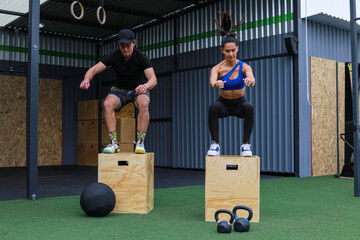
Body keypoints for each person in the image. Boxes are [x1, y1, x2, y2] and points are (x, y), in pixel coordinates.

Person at [80, 29, 157, 154]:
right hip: (120, 90)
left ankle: (140, 142)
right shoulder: (114, 56)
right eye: (122, 46)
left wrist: (146, 86)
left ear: (134, 43)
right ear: (118, 45)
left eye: (128, 46)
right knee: (107, 104)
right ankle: (113, 143)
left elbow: (153, 79)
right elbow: (93, 70)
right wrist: (86, 79)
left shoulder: (141, 57)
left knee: (144, 103)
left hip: (137, 90)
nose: (125, 49)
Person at [207, 11, 255, 157]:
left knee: (249, 107)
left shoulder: (245, 67)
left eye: (233, 50)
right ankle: (215, 144)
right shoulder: (217, 68)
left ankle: (245, 145)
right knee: (213, 108)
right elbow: (212, 81)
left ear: (237, 49)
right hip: (224, 104)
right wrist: (216, 84)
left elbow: (252, 79)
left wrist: (250, 81)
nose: (230, 54)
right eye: (227, 51)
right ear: (222, 50)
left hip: (240, 104)